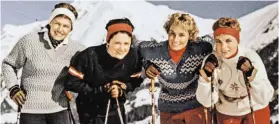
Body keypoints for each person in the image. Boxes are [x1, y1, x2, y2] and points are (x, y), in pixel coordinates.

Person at [2, 2, 84, 124]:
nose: (60, 29)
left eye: (65, 26)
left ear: (71, 29)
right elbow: (8, 64)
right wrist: (13, 88)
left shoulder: (77, 49)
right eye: (57, 23)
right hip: (30, 111)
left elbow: (92, 69)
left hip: (60, 110)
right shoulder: (29, 41)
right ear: (50, 22)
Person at [137, 12, 213, 124]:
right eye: (172, 33)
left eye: (182, 35)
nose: (175, 39)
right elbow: (137, 48)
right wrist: (147, 65)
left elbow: (212, 42)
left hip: (195, 107)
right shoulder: (157, 51)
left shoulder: (199, 49)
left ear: (190, 35)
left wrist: (209, 62)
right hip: (169, 110)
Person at [64, 18, 143, 124]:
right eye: (117, 43)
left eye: (126, 43)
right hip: (90, 113)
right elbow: (71, 82)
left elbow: (135, 81)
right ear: (108, 40)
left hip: (116, 111)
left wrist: (121, 89)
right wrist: (100, 90)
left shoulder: (133, 57)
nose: (122, 48)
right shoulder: (89, 56)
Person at [196, 17, 274, 124]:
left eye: (228, 41)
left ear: (237, 40)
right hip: (227, 111)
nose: (223, 47)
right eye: (218, 41)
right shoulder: (211, 61)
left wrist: (252, 75)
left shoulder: (250, 57)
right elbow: (207, 101)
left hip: (255, 108)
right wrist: (206, 78)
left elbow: (264, 98)